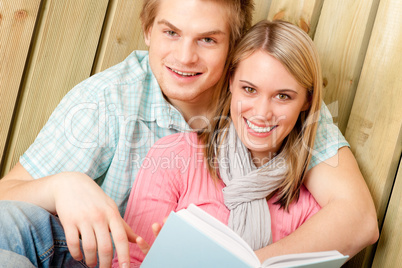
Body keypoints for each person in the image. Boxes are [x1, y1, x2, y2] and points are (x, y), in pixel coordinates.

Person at [0, 0, 378, 267]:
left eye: (208, 39)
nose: (184, 57)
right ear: (148, 31)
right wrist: (62, 186)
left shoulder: (270, 100)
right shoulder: (107, 100)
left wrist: (243, 265)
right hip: (82, 250)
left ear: (233, 48)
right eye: (171, 32)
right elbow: (6, 198)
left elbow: (358, 218)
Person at [109, 20, 366, 267]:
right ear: (231, 81)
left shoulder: (312, 205)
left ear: (308, 102)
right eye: (249, 90)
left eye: (283, 96)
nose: (262, 113)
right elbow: (129, 260)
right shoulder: (173, 158)